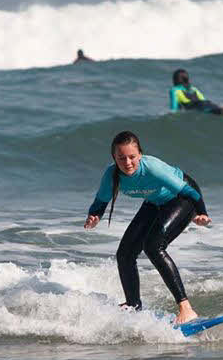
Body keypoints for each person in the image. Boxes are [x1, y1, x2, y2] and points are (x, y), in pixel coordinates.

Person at [84, 131, 211, 324]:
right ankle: (133, 305)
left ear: (140, 155)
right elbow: (101, 201)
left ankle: (186, 309)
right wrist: (95, 216)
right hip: (154, 201)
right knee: (125, 254)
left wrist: (201, 212)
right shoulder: (111, 174)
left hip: (182, 197)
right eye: (121, 158)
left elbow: (189, 191)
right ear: (114, 158)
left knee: (153, 246)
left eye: (132, 157)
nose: (127, 162)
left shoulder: (151, 167)